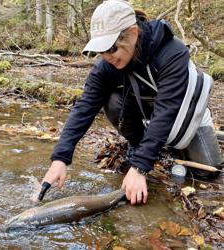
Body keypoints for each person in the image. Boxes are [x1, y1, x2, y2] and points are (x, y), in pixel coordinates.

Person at [40, 0, 223, 205]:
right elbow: (85, 107)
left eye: (111, 48)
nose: (107, 57)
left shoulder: (172, 52)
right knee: (110, 100)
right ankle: (140, 145)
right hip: (148, 112)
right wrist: (60, 158)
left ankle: (153, 150)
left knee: (207, 172)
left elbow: (166, 111)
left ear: (133, 33)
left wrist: (139, 168)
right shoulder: (107, 64)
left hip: (187, 112)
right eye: (101, 51)